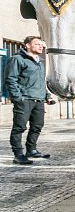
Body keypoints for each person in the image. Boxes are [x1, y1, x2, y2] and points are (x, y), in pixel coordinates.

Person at [4, 36, 55, 165]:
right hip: (24, 99)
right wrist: (18, 98)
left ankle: (31, 150)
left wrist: (47, 96)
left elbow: (40, 82)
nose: (41, 46)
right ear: (27, 45)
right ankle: (18, 155)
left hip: (38, 100)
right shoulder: (17, 59)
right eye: (37, 44)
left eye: (42, 45)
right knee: (19, 127)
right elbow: (10, 79)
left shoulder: (40, 61)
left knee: (37, 126)